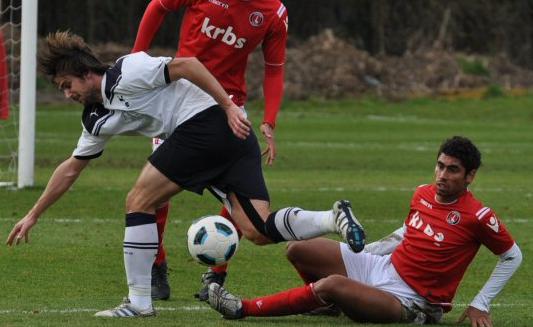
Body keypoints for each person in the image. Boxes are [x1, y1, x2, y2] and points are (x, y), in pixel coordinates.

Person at [5, 31, 365, 318]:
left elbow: (188, 64)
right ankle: (333, 218)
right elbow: (71, 168)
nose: (67, 94)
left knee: (139, 200)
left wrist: (226, 106)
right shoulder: (97, 118)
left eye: (68, 85)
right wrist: (33, 214)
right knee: (257, 229)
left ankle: (139, 301)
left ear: (86, 73)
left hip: (209, 123)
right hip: (229, 136)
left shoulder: (128, 71)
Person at [208, 136, 522, 326]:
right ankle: (330, 306)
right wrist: (365, 254)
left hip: (412, 302)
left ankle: (242, 309)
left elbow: (512, 256)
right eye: (440, 165)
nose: (442, 175)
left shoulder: (478, 216)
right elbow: (405, 233)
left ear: (471, 176)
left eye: (452, 170)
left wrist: (481, 301)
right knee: (298, 249)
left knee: (332, 284)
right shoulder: (422, 193)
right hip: (382, 268)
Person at [132, 0, 289, 301]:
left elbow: (274, 69)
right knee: (154, 194)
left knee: (239, 195)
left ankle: (216, 275)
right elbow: (157, 7)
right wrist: (136, 58)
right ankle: (155, 266)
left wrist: (269, 119)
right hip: (179, 102)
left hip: (228, 108)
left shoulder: (275, 12)